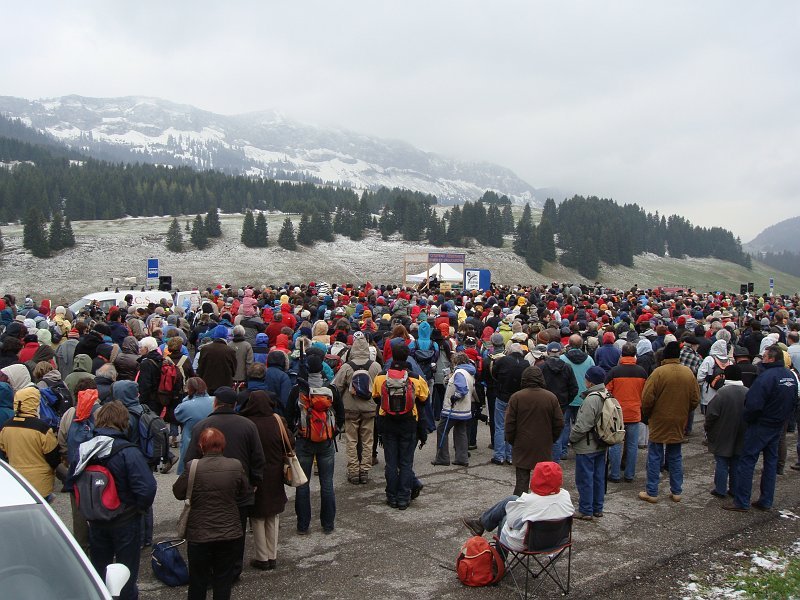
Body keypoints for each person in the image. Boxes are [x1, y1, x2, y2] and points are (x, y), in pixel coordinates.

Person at [72, 401, 157, 600]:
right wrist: (139, 508)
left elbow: (71, 481)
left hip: (95, 518)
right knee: (126, 571)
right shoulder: (128, 451)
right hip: (125, 518)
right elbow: (147, 487)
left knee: (99, 569)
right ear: (123, 422)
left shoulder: (84, 449)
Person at [184, 386, 266, 579]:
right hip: (239, 486)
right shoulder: (247, 425)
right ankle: (232, 569)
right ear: (235, 404)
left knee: (206, 527)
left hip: (205, 487)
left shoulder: (202, 426)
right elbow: (258, 457)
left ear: (215, 403)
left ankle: (209, 569)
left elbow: (190, 459)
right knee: (237, 530)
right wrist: (254, 481)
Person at [174, 427, 247, 600]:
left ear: (201, 445)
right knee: (223, 580)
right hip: (228, 532)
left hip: (199, 534)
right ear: (223, 445)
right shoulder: (235, 465)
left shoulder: (193, 467)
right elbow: (245, 492)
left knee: (198, 580)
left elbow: (178, 492)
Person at [725, 345, 798, 511]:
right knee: (770, 463)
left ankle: (742, 500)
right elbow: (794, 399)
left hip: (761, 424)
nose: (762, 359)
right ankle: (766, 500)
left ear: (771, 358)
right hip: (778, 424)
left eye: (764, 356)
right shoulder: (790, 376)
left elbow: (753, 403)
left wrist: (749, 418)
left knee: (747, 461)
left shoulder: (766, 377)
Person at [285, 354, 344, 532]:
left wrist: (296, 431)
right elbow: (341, 415)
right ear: (322, 368)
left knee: (303, 483)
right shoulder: (330, 389)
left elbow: (288, 415)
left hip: (304, 439)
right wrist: (333, 431)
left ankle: (303, 525)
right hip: (326, 440)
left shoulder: (298, 390)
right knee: (327, 483)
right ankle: (327, 524)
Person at [461, 461, 574, 551]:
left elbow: (511, 522)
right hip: (558, 541)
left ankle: (499, 561)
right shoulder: (565, 496)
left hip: (530, 543)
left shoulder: (529, 501)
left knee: (504, 518)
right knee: (512, 499)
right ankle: (480, 524)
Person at [639, 342, 700, 504]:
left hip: (659, 419)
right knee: (675, 455)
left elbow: (647, 399)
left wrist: (648, 414)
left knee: (654, 455)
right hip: (679, 419)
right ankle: (676, 491)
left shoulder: (658, 372)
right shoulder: (687, 373)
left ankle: (652, 491)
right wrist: (684, 410)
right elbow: (695, 399)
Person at [371, 344, 429, 510]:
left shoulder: (381, 377)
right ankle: (404, 497)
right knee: (405, 462)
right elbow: (424, 399)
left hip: (387, 422)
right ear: (407, 356)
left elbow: (375, 397)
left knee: (391, 462)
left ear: (391, 357)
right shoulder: (415, 378)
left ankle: (391, 496)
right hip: (409, 422)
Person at [239, 391, 289, 570]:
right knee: (272, 515)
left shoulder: (246, 423)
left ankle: (262, 557)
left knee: (257, 516)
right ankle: (272, 554)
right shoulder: (276, 420)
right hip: (275, 473)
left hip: (255, 474)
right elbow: (288, 442)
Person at [505, 366, 563, 496]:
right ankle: (542, 510)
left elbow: (509, 424)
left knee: (521, 483)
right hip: (544, 444)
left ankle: (520, 510)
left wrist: (512, 440)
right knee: (545, 481)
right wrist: (552, 439)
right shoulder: (551, 397)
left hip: (522, 443)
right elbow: (559, 422)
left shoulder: (517, 397)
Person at [332, 333, 382, 483]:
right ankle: (364, 470)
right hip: (369, 408)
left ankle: (353, 471)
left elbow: (337, 387)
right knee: (367, 440)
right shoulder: (375, 366)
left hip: (350, 408)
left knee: (351, 439)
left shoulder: (347, 366)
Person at [0, 385, 60, 500]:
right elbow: (53, 457)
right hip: (40, 483)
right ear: (34, 403)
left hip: (16, 479)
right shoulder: (42, 428)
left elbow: (4, 451)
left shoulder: (6, 426)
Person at [568, 366, 609, 520]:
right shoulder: (606, 394)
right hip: (602, 442)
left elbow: (582, 425)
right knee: (598, 476)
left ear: (590, 382)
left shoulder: (591, 398)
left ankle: (586, 509)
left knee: (585, 478)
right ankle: (598, 507)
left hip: (587, 444)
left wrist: (571, 438)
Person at [605, 342, 648, 483]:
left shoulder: (614, 371)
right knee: (632, 445)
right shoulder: (642, 372)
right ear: (635, 355)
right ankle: (629, 474)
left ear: (621, 354)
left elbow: (606, 391)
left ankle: (615, 474)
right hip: (635, 413)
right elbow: (645, 392)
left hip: (617, 413)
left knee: (616, 444)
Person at [704, 365, 747, 498]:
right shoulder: (748, 392)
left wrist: (708, 427)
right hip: (742, 431)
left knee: (722, 460)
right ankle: (734, 489)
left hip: (723, 430)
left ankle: (720, 489)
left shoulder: (722, 393)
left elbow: (712, 413)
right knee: (736, 461)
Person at [431, 352, 478, 467]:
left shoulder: (459, 372)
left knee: (442, 430)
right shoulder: (469, 372)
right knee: (460, 431)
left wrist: (454, 396)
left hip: (454, 408)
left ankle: (442, 457)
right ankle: (462, 458)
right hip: (465, 409)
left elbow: (462, 389)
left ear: (456, 362)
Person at [490, 343, 529, 465]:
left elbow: (494, 373)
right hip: (518, 398)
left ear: (509, 351)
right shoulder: (526, 363)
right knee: (515, 425)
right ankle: (511, 455)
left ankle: (499, 455)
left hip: (503, 395)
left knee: (500, 426)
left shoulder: (503, 360)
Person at [540, 341, 578, 462]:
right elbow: (574, 388)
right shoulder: (567, 367)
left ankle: (545, 461)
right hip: (561, 405)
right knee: (559, 433)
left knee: (544, 433)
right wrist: (566, 401)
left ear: (548, 352)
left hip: (545, 405)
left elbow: (538, 386)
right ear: (560, 352)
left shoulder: (542, 367)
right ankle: (555, 463)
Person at [173, 377, 215, 475]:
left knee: (188, 473)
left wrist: (186, 399)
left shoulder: (186, 405)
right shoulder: (214, 401)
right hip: (212, 440)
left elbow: (178, 416)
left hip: (191, 442)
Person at [197, 326, 237, 394]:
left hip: (208, 384)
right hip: (224, 386)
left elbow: (200, 368)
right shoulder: (230, 351)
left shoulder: (205, 349)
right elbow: (233, 371)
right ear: (226, 335)